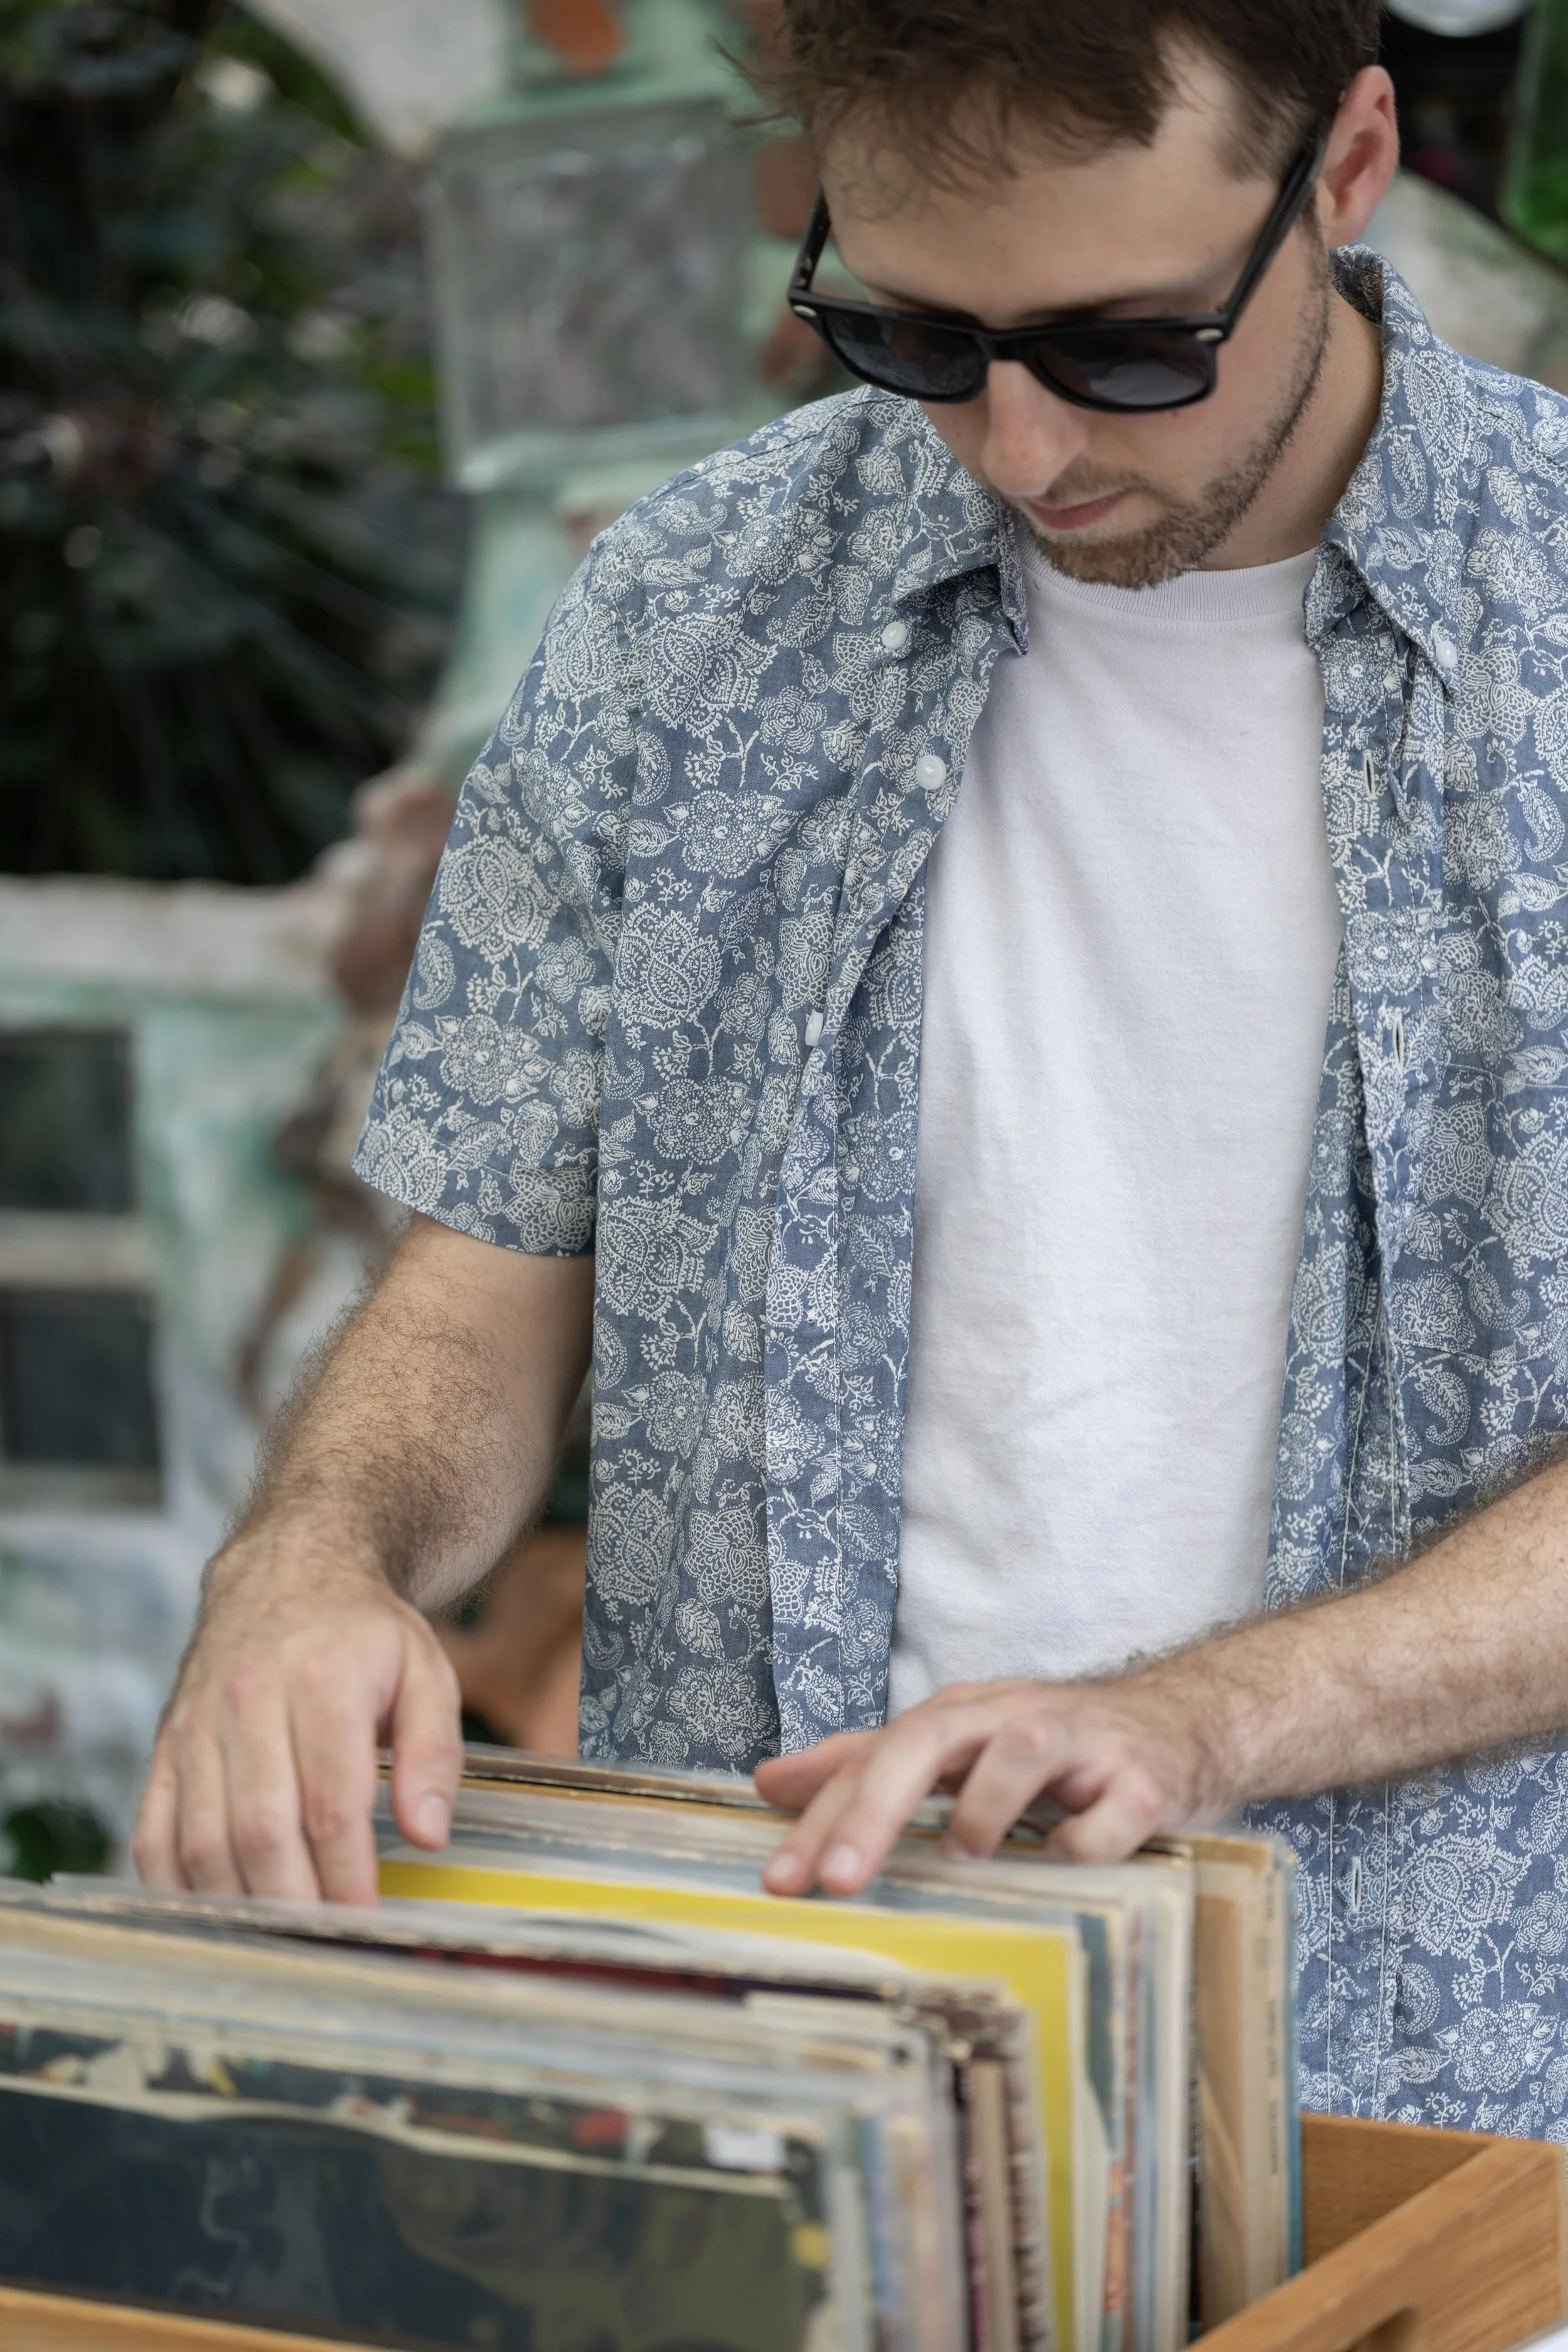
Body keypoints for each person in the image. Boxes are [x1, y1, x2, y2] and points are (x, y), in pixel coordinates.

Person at [134, 0, 1568, 2132]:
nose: (1018, 446)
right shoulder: (687, 618)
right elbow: (481, 1278)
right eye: (910, 337)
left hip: (1447, 2125)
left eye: (1126, 346)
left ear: (1345, 170)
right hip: (776, 2069)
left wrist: (1191, 1721)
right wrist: (310, 1559)